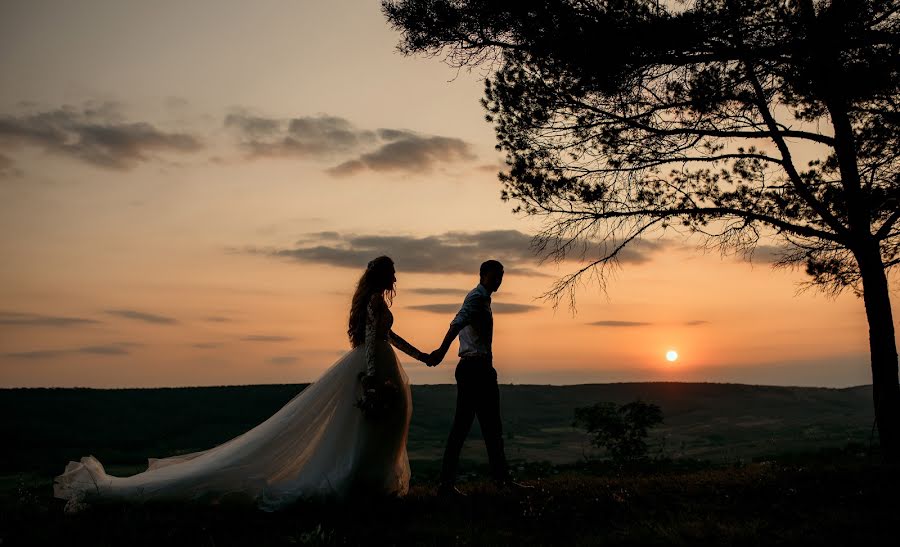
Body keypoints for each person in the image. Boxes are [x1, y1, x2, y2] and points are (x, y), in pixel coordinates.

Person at [53, 256, 429, 512]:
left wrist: (420, 355)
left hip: (382, 365)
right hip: (374, 370)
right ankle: (364, 487)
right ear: (383, 276)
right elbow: (370, 343)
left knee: (379, 431)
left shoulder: (375, 302)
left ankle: (371, 486)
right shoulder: (375, 304)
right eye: (392, 273)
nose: (395, 279)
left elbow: (386, 337)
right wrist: (370, 380)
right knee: (370, 430)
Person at [427, 259, 530, 496]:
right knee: (468, 428)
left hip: (480, 368)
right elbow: (456, 324)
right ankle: (448, 485)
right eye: (495, 276)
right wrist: (441, 352)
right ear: (483, 275)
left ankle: (500, 481)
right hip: (474, 370)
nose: (499, 280)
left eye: (501, 276)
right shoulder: (476, 298)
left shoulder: (482, 299)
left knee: (489, 427)